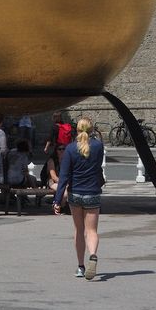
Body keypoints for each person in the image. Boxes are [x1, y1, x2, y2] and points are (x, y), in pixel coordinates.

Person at [53, 117, 104, 280]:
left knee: (79, 230)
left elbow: (64, 175)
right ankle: (93, 255)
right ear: (92, 130)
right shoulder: (98, 146)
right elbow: (97, 167)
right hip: (92, 192)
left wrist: (57, 199)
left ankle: (81, 266)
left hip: (75, 193)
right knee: (92, 230)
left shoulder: (69, 149)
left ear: (76, 131)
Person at [46, 143, 68, 207]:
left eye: (63, 149)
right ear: (56, 151)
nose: (61, 151)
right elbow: (53, 176)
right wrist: (63, 183)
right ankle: (59, 207)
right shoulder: (51, 160)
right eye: (59, 149)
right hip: (53, 181)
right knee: (64, 193)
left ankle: (63, 207)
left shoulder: (67, 160)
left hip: (65, 181)